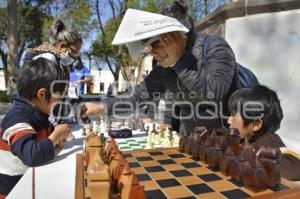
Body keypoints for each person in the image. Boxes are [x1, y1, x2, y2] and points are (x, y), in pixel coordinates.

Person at [82, 0, 237, 134]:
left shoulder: (215, 47)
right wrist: (101, 107)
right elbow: (137, 96)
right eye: (148, 45)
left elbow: (215, 92)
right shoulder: (164, 67)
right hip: (193, 138)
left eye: (156, 43)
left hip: (226, 141)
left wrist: (181, 60)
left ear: (179, 37)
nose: (150, 50)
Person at [0, 58, 70, 198]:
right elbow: (31, 155)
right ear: (42, 94)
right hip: (13, 190)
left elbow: (45, 140)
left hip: (31, 182)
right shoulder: (18, 119)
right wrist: (55, 135)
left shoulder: (38, 114)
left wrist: (56, 141)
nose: (59, 103)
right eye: (58, 98)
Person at [227, 85, 300, 181]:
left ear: (256, 124)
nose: (228, 120)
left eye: (233, 115)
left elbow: (295, 169)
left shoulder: (269, 144)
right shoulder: (246, 140)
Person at [25, 19, 82, 124]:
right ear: (62, 46)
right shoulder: (47, 60)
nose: (75, 57)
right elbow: (44, 100)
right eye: (74, 52)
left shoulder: (60, 64)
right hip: (31, 119)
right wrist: (54, 129)